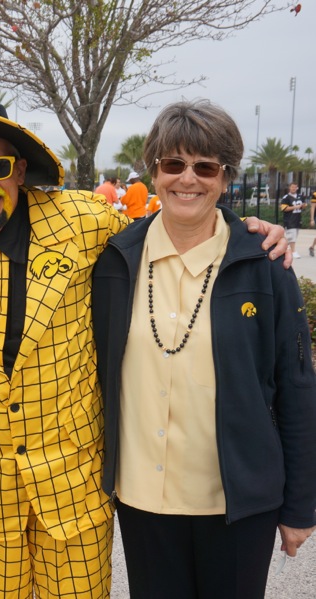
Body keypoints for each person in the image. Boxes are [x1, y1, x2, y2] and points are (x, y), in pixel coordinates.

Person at [0, 101, 290, 598]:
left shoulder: (86, 224)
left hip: (72, 483)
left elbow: (179, 223)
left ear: (19, 171)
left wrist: (247, 229)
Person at [92, 100, 316, 599]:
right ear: (154, 170)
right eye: (173, 164)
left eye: (205, 167)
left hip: (236, 506)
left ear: (226, 176)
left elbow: (296, 384)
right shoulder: (114, 261)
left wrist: (301, 506)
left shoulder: (265, 266)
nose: (186, 179)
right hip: (143, 501)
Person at [281, 181, 304, 257]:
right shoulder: (286, 197)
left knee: (294, 235)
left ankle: (285, 248)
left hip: (297, 218)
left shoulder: (300, 196)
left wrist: (303, 206)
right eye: (292, 187)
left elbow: (303, 205)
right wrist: (295, 207)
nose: (294, 188)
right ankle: (293, 251)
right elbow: (283, 208)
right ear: (289, 188)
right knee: (292, 236)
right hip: (289, 219)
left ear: (297, 188)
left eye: (295, 187)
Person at [308, 190, 316, 256]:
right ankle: (312, 247)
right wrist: (312, 219)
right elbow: (313, 207)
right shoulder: (315, 194)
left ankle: (312, 247)